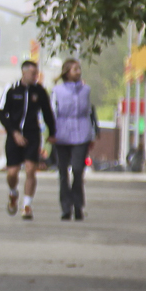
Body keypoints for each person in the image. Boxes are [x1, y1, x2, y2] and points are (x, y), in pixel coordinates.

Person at [0, 60, 56, 220]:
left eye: (36, 74)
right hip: (14, 135)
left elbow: (47, 113)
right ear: (24, 73)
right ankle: (13, 192)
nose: (35, 76)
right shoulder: (11, 89)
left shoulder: (40, 91)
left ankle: (27, 205)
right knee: (12, 173)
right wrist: (14, 132)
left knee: (31, 169)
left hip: (32, 134)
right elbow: (2, 113)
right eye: (32, 73)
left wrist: (52, 132)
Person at [50, 58, 98, 221]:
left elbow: (90, 113)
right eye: (74, 69)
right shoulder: (57, 91)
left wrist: (92, 134)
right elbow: (52, 112)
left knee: (78, 170)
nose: (78, 71)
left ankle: (78, 205)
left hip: (81, 133)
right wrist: (51, 132)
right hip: (62, 133)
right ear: (67, 72)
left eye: (79, 69)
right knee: (63, 172)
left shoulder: (86, 90)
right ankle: (65, 206)